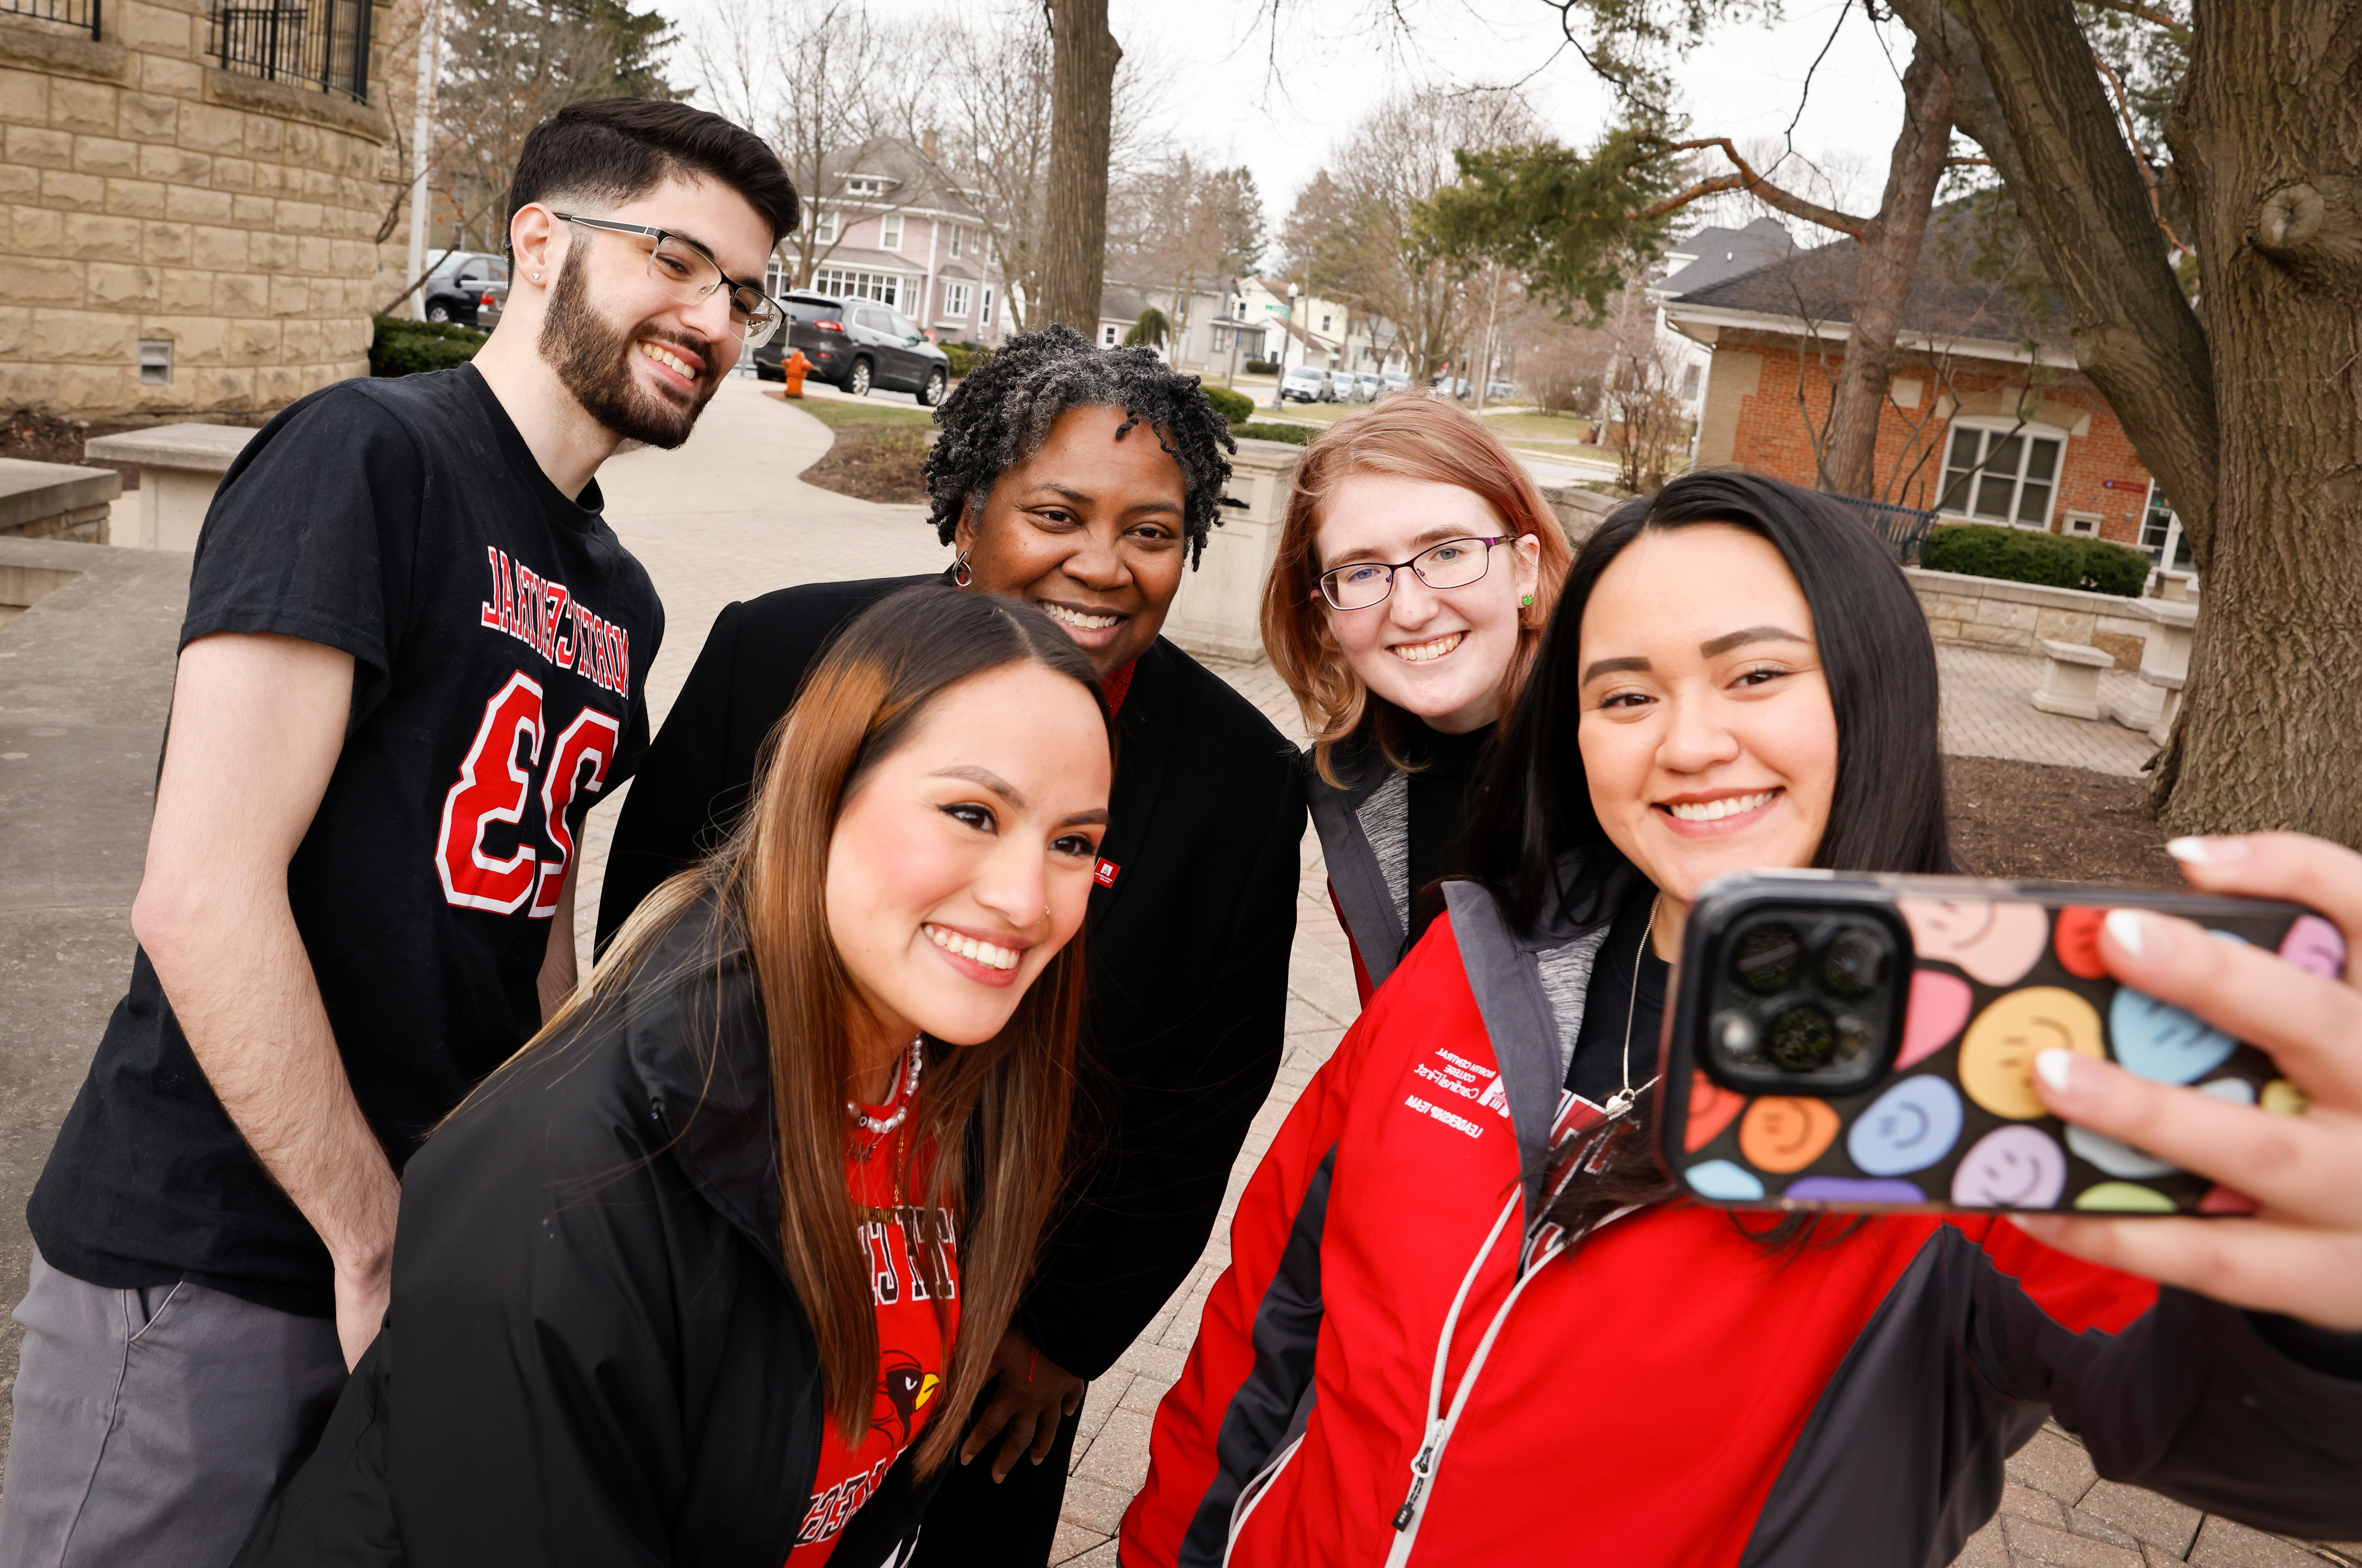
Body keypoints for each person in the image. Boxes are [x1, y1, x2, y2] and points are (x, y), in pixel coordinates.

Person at [1124, 471, 2362, 1566]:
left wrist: (2319, 1321)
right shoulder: (1466, 961)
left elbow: (2238, 1437)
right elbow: (1266, 1330)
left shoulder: (1994, 1081)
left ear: (1871, 691)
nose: (1689, 743)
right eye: (1622, 697)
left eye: (1755, 674)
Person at [1, 98, 798, 1568]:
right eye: (678, 262)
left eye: (744, 293)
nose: (716, 319)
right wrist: (366, 1236)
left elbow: (532, 917)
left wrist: (529, 1201)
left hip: (423, 1251)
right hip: (216, 1250)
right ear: (540, 239)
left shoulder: (620, 596)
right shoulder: (364, 455)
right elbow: (201, 893)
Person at [594, 325, 1306, 1565]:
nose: (1104, 565)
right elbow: (645, 956)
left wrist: (1065, 1336)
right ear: (966, 517)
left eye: (1150, 531)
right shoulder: (777, 659)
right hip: (726, 1265)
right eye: (1056, 514)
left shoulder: (1236, 781)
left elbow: (1200, 1096)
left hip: (988, 1356)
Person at [233, 585, 1113, 1566]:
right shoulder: (573, 1177)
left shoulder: (951, 1088)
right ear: (823, 791)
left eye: (1074, 841)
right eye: (972, 812)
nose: (1028, 898)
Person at [1260, 397, 1569, 1003]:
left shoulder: (1617, 762)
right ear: (1325, 619)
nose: (1411, 609)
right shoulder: (1343, 783)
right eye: (1363, 572)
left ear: (1524, 569)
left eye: (1448, 553)